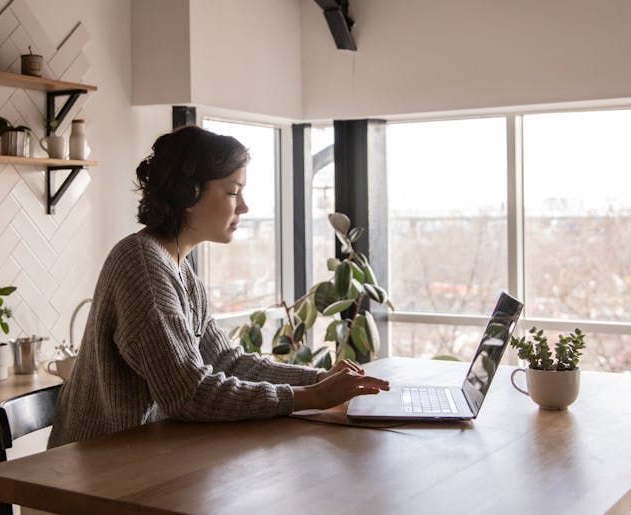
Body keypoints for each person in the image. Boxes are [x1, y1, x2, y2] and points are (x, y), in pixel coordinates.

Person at [48, 125, 389, 447]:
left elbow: (226, 361)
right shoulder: (143, 267)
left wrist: (318, 380)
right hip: (87, 474)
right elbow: (188, 393)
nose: (244, 206)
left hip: (141, 455)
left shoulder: (178, 268)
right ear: (188, 195)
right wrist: (310, 397)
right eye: (232, 192)